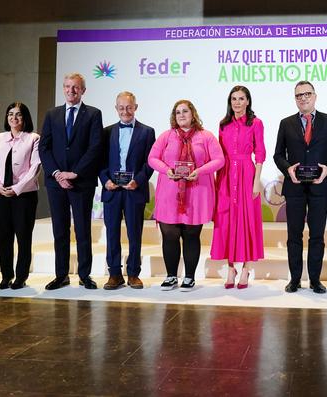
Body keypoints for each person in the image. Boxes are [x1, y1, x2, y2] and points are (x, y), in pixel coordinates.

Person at [148, 100, 224, 291]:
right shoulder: (166, 136)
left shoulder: (206, 136)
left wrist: (200, 170)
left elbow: (219, 160)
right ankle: (171, 276)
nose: (181, 115)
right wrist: (166, 170)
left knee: (191, 235)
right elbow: (152, 158)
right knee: (169, 235)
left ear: (193, 114)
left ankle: (189, 277)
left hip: (197, 193)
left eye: (185, 111)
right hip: (169, 193)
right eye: (177, 112)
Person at [273, 81, 327, 294]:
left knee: (317, 235)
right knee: (294, 235)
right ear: (295, 99)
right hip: (294, 187)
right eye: (299, 95)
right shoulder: (285, 123)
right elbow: (277, 155)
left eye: (307, 94)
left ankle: (315, 280)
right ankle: (294, 279)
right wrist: (288, 170)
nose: (303, 98)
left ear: (315, 96)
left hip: (320, 187)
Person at [38, 72, 103, 290]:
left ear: (83, 90)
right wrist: (57, 173)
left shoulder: (93, 114)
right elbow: (44, 147)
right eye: (67, 86)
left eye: (75, 87)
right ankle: (61, 275)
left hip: (81, 182)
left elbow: (95, 147)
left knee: (82, 230)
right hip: (56, 183)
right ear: (63, 89)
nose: (71, 90)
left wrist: (74, 173)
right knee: (60, 230)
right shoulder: (52, 114)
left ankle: (85, 275)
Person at [99, 92, 156, 290]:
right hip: (112, 190)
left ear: (136, 107)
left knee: (134, 232)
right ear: (116, 109)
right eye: (121, 108)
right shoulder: (106, 132)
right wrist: (105, 180)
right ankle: (114, 274)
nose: (125, 111)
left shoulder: (147, 132)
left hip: (134, 190)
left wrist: (138, 181)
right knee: (112, 232)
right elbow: (100, 161)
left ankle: (133, 273)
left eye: (129, 107)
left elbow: (150, 162)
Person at [211, 86, 266, 289]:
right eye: (234, 99)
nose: (237, 102)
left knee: (247, 221)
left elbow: (260, 154)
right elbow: (219, 155)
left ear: (248, 101)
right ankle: (231, 268)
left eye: (241, 98)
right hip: (225, 176)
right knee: (227, 221)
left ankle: (246, 268)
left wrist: (256, 181)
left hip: (246, 174)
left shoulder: (256, 123)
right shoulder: (223, 124)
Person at [0, 102, 41, 290]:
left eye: (18, 115)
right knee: (4, 237)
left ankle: (21, 276)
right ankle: (6, 275)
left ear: (25, 118)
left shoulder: (33, 138)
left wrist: (16, 188)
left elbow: (34, 167)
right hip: (1, 194)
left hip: (24, 195)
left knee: (23, 237)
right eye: (10, 114)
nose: (13, 118)